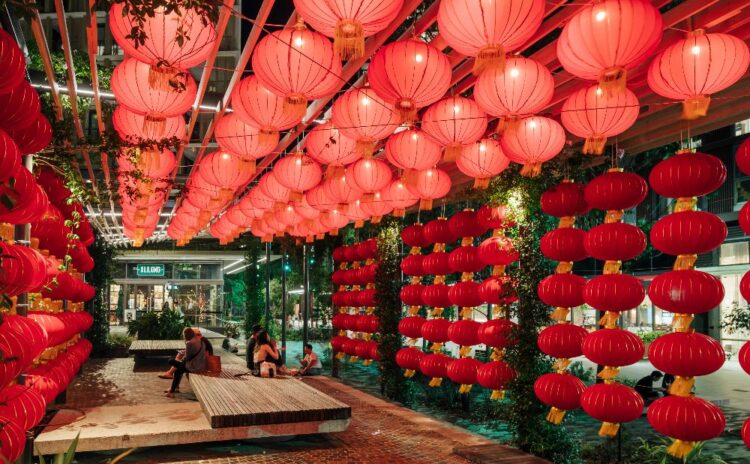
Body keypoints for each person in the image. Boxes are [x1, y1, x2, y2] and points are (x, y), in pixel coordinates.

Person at [165, 327, 207, 397]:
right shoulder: (201, 341)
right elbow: (195, 353)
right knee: (178, 370)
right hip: (201, 365)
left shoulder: (189, 343)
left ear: (185, 335)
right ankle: (172, 391)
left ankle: (172, 390)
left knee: (171, 361)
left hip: (193, 366)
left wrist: (180, 357)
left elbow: (187, 358)